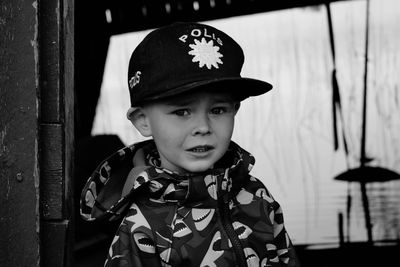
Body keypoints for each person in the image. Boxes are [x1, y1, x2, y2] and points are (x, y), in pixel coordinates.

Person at [80, 22, 300, 267]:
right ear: (143, 121)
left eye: (217, 110)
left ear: (235, 110)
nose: (203, 126)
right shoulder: (142, 225)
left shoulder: (256, 194)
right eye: (182, 112)